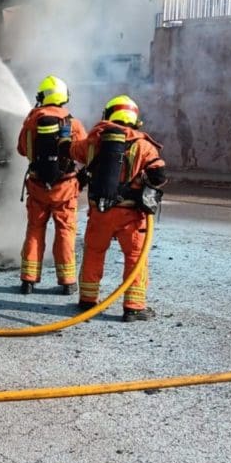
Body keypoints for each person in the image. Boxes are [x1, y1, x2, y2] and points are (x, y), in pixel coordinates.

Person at [70, 94, 167, 322]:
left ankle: (87, 300)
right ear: (134, 119)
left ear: (109, 114)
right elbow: (159, 175)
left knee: (94, 253)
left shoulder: (95, 141)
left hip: (99, 211)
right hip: (130, 215)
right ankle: (133, 307)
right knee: (135, 257)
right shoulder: (143, 145)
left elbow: (74, 151)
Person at [17, 75, 87, 295]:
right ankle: (67, 282)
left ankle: (28, 280)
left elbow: (21, 149)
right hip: (65, 187)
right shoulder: (72, 123)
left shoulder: (31, 120)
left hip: (38, 186)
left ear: (42, 96)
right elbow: (84, 153)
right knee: (65, 231)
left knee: (35, 230)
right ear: (64, 97)